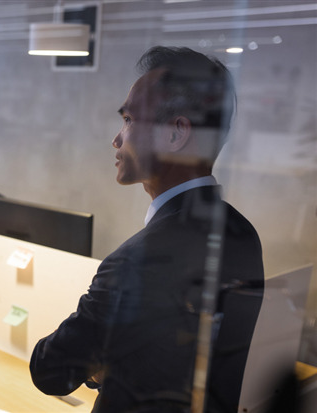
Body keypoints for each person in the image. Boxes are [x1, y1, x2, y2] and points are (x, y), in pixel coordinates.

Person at [29, 46, 264, 413]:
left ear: (175, 133)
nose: (117, 139)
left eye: (128, 119)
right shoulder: (242, 233)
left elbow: (50, 371)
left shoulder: (135, 261)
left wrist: (103, 364)